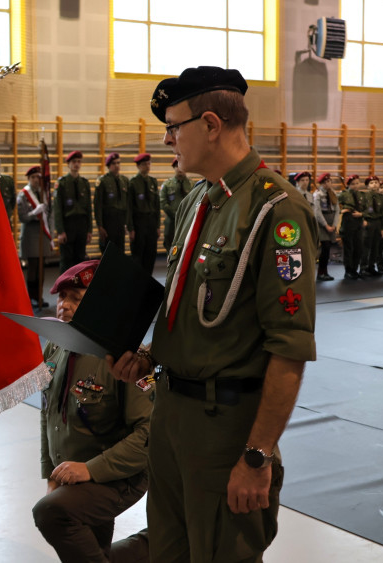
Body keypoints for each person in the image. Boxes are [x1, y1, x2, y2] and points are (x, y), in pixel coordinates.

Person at [109, 66, 317, 562]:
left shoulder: (276, 210)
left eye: (173, 127)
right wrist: (148, 357)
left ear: (209, 125)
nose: (167, 140)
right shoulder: (196, 201)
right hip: (170, 416)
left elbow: (289, 349)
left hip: (227, 428)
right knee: (167, 551)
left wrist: (257, 457)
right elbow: (189, 310)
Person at [33, 259, 153, 563]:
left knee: (52, 513)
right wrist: (51, 473)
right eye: (62, 297)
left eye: (76, 298)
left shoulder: (124, 356)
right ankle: (164, 547)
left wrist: (91, 469)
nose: (64, 305)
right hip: (74, 474)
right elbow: (47, 412)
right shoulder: (55, 347)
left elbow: (149, 435)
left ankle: (161, 545)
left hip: (119, 474)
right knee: (93, 551)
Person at [17, 165, 54, 307]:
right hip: (30, 235)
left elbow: (50, 214)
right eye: (33, 177)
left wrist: (51, 233)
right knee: (33, 267)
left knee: (41, 268)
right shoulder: (23, 195)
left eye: (38, 177)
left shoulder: (44, 194)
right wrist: (34, 213)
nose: (36, 180)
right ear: (28, 178)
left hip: (42, 234)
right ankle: (31, 298)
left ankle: (39, 297)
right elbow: (22, 218)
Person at [52, 150, 92, 272]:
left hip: (81, 224)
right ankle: (65, 284)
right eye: (74, 162)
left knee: (80, 259)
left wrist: (89, 230)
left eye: (79, 162)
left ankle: (78, 285)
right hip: (68, 224)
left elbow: (88, 209)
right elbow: (57, 209)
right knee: (66, 260)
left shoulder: (84, 183)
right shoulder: (62, 183)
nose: (76, 164)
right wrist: (60, 231)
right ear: (68, 164)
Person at [127, 153, 160, 275]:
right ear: (138, 166)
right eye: (144, 164)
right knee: (138, 253)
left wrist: (157, 225)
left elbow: (157, 206)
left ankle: (148, 278)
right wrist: (130, 228)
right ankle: (137, 280)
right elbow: (129, 207)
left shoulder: (153, 181)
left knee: (151, 253)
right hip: (139, 222)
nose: (147, 166)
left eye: (149, 163)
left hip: (151, 222)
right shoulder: (133, 183)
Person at [94, 152, 129, 254]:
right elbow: (98, 205)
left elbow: (127, 204)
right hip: (108, 220)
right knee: (108, 250)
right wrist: (100, 226)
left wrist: (127, 223)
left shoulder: (124, 180)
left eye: (118, 163)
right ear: (109, 166)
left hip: (120, 220)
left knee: (120, 250)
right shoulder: (103, 181)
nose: (117, 165)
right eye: (114, 163)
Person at [158, 158, 192, 254]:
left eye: (181, 165)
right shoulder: (167, 184)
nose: (179, 168)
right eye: (177, 166)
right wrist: (175, 215)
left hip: (187, 220)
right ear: (174, 168)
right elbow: (163, 202)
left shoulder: (192, 184)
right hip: (171, 220)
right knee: (170, 242)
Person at [335, 173, 364, 280]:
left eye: (357, 183)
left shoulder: (362, 195)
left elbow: (367, 208)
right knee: (349, 249)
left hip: (359, 224)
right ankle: (348, 271)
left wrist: (362, 214)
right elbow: (333, 204)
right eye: (352, 184)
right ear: (348, 185)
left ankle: (354, 270)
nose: (355, 186)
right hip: (348, 223)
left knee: (358, 248)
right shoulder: (343, 194)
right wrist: (342, 210)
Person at [311, 173, 340, 281]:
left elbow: (337, 210)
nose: (327, 184)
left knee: (328, 249)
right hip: (322, 224)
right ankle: (320, 273)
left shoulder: (333, 193)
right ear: (321, 184)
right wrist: (326, 225)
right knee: (325, 248)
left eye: (329, 181)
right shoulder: (318, 194)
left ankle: (325, 272)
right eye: (324, 182)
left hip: (331, 223)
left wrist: (334, 225)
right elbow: (317, 212)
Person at [359, 175, 383, 277]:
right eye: (371, 183)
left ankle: (371, 267)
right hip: (368, 222)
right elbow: (360, 209)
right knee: (366, 246)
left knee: (375, 246)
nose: (374, 185)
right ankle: (363, 268)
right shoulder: (364, 196)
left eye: (376, 182)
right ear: (367, 186)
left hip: (378, 222)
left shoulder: (381, 197)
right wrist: (363, 219)